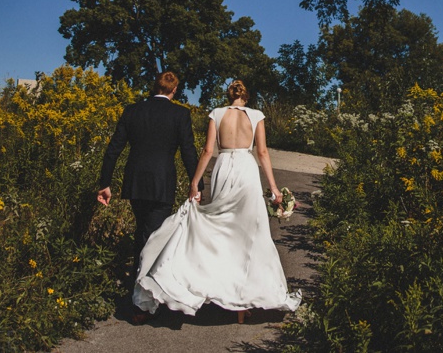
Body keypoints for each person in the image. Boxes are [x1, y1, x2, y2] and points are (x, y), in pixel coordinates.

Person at [133, 79, 302, 323]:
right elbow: (262, 152)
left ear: (229, 95)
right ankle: (242, 304)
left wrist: (195, 182)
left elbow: (207, 151)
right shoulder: (256, 115)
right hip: (246, 170)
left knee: (223, 231)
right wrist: (274, 187)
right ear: (246, 96)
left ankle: (218, 288)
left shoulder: (217, 113)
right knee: (248, 234)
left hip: (224, 169)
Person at [97, 71, 202, 322]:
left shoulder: (132, 111)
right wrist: (196, 184)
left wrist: (104, 183)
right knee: (153, 239)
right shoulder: (180, 114)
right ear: (174, 90)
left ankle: (141, 295)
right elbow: (188, 150)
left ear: (153, 87)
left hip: (135, 182)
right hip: (162, 183)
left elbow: (114, 148)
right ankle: (141, 304)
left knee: (143, 235)